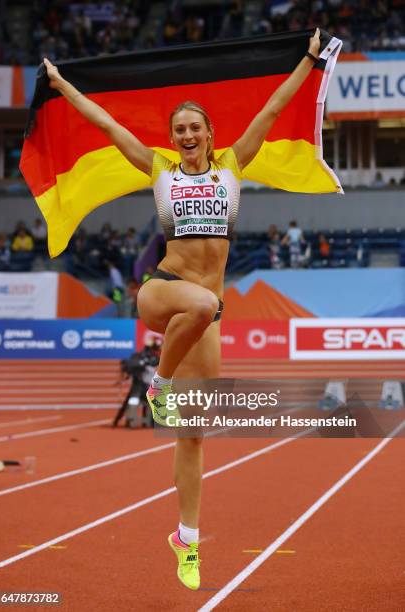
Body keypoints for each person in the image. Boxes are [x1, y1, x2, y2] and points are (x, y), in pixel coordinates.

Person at [43, 28, 321, 591]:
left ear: (210, 134)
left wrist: (309, 60)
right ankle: (159, 380)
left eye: (195, 127)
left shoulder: (232, 169)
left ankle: (186, 540)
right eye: (179, 129)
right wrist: (60, 85)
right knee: (202, 300)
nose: (187, 134)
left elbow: (271, 109)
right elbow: (104, 122)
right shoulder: (159, 171)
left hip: (203, 317)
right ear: (171, 138)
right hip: (164, 291)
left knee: (192, 433)